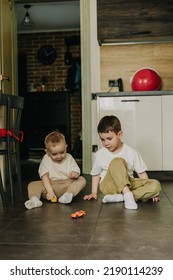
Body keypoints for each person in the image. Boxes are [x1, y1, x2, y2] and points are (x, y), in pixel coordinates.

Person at [84, 115, 161, 210]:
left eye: (109, 138)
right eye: (102, 140)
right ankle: (127, 195)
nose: (106, 143)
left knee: (156, 185)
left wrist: (152, 193)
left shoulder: (131, 152)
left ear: (119, 135)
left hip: (129, 183)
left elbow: (142, 174)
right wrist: (94, 192)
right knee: (117, 161)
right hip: (109, 185)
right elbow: (96, 174)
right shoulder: (100, 154)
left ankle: (122, 197)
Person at [25, 131, 86, 210]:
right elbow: (45, 177)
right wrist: (50, 191)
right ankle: (34, 199)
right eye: (54, 154)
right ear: (47, 152)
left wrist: (74, 173)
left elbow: (75, 170)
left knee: (81, 179)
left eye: (62, 152)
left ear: (66, 148)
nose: (59, 156)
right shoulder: (46, 159)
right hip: (50, 185)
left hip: (66, 185)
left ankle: (68, 195)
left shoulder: (69, 157)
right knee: (32, 184)